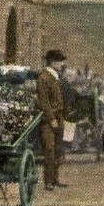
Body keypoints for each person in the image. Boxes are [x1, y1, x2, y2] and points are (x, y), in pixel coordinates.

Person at [37, 50, 69, 191]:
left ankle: (55, 179)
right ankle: (48, 182)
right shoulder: (44, 78)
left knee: (58, 149)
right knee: (49, 150)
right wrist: (51, 119)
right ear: (53, 62)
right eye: (60, 61)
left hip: (59, 117)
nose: (62, 64)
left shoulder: (55, 77)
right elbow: (44, 102)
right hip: (49, 120)